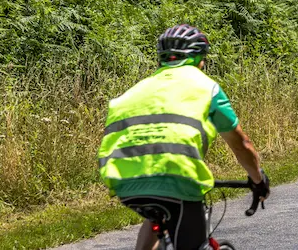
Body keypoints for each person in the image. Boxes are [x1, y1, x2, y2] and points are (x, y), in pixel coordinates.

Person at [98, 24, 270, 250]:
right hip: (178, 178)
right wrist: (258, 181)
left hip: (123, 181)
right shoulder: (206, 87)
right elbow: (241, 144)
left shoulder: (136, 90)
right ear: (200, 58)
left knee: (158, 213)